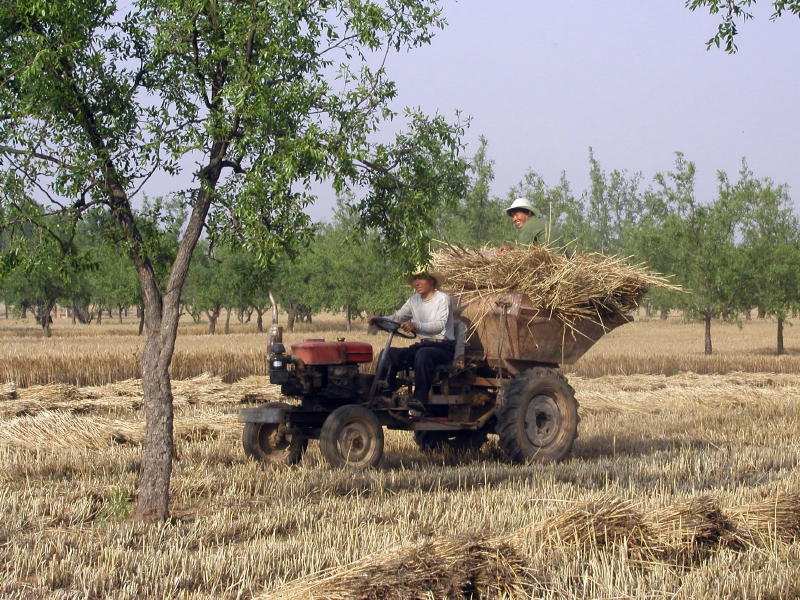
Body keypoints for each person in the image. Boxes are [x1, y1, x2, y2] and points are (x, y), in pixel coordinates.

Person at [370, 269, 455, 413]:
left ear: (432, 281)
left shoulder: (442, 299)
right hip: (423, 345)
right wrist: (379, 319)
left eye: (420, 278)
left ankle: (419, 399)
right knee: (389, 354)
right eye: (414, 279)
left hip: (443, 347)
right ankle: (385, 395)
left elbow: (439, 325)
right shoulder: (413, 300)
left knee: (423, 354)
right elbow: (397, 317)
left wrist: (415, 325)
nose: (416, 282)